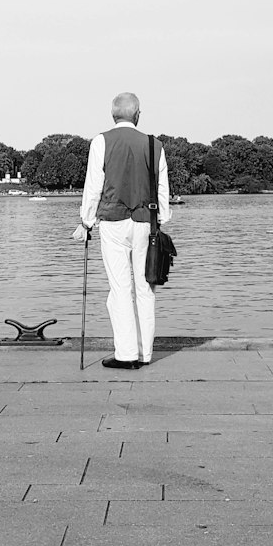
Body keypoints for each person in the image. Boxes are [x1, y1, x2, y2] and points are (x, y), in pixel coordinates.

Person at [74, 91, 170, 369]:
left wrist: (86, 221)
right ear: (137, 114)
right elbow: (162, 189)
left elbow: (93, 187)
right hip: (146, 222)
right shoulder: (155, 145)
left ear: (112, 115)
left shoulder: (101, 142)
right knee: (145, 287)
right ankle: (145, 352)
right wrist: (161, 218)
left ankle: (126, 353)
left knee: (120, 289)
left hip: (114, 223)